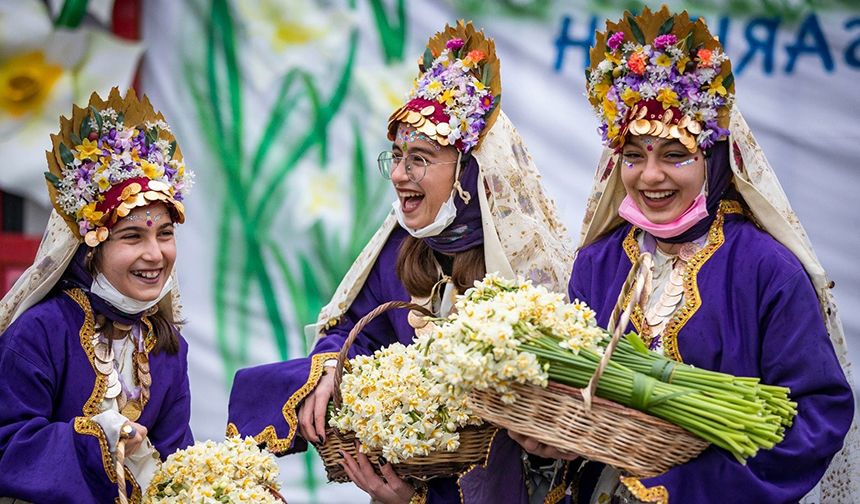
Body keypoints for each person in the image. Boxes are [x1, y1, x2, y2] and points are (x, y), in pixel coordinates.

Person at [508, 7, 858, 503]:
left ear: (713, 159)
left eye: (674, 155)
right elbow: (576, 400)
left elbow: (817, 414)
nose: (650, 176)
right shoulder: (599, 262)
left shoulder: (766, 269)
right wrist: (547, 440)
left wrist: (681, 490)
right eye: (634, 155)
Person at [227, 21, 575, 503]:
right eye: (394, 156)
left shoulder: (524, 270)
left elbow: (554, 440)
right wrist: (329, 362)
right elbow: (353, 328)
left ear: (469, 171)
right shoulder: (402, 248)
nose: (398, 175)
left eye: (419, 159)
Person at [0, 88, 195, 503]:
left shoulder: (166, 346)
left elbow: (177, 463)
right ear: (89, 249)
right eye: (132, 236)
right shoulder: (40, 332)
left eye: (165, 234)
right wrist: (95, 438)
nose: (155, 254)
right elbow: (6, 445)